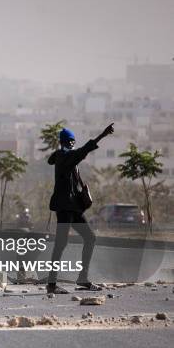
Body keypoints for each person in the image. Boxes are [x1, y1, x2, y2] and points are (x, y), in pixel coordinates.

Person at [46, 123, 114, 294]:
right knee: (61, 244)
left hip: (73, 208)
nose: (73, 144)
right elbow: (83, 150)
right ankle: (52, 285)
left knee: (90, 238)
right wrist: (102, 135)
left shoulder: (66, 157)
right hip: (64, 207)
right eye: (71, 141)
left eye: (73, 141)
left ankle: (82, 279)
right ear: (67, 142)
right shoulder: (64, 157)